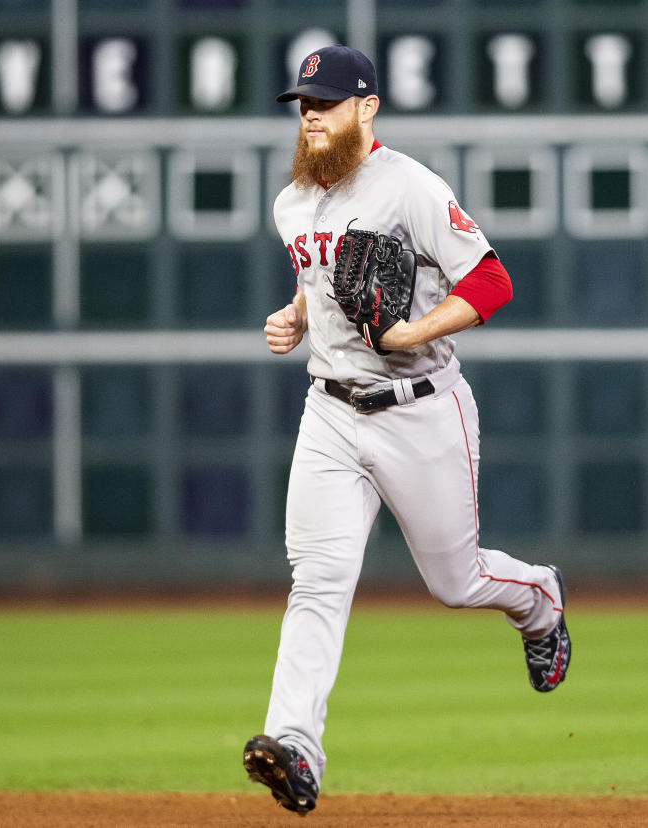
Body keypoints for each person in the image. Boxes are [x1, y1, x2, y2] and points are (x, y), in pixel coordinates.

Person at [241, 45, 572, 816]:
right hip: (328, 413)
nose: (312, 113)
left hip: (421, 409)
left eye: (326, 100)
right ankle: (294, 748)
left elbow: (493, 281)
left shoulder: (410, 186)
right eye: (303, 101)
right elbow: (321, 281)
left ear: (368, 108)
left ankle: (540, 601)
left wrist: (413, 329)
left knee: (454, 582)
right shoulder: (291, 201)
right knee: (317, 584)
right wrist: (294, 316)